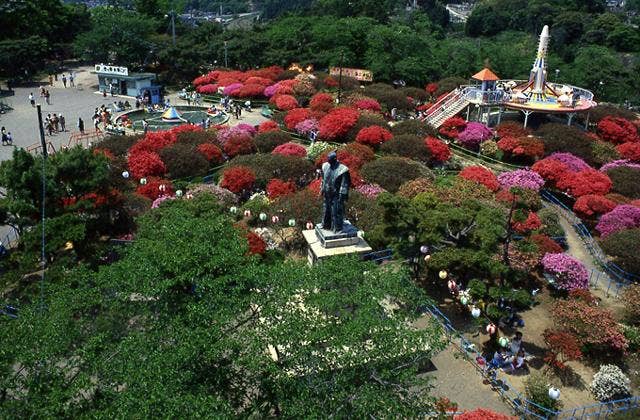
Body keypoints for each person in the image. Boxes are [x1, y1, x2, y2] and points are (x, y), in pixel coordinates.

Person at [321, 151, 351, 233]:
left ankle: (337, 228)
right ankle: (326, 225)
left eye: (329, 159)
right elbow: (323, 180)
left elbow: (345, 184)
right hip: (327, 193)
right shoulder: (325, 166)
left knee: (336, 211)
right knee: (326, 210)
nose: (328, 161)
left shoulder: (343, 169)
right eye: (328, 159)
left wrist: (342, 195)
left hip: (336, 195)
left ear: (334, 159)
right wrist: (322, 189)